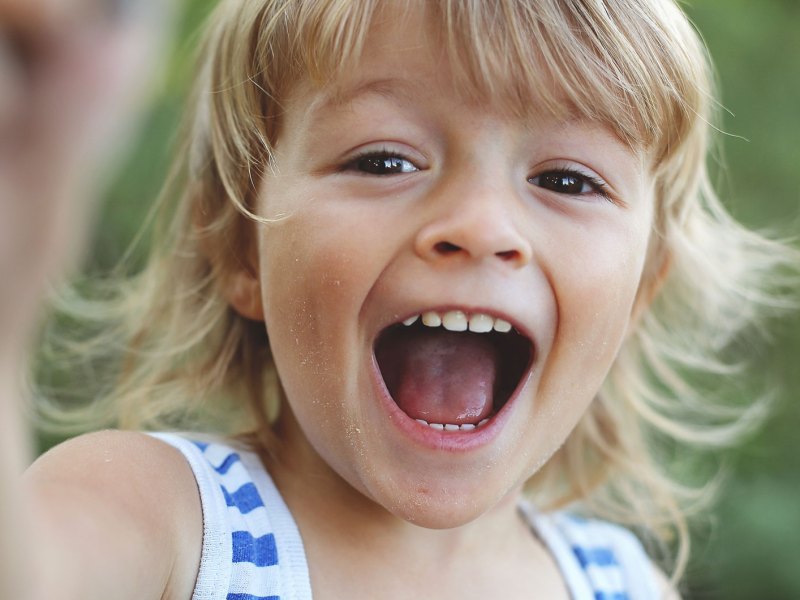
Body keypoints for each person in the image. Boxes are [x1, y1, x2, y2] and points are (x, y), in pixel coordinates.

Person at [2, 1, 797, 598]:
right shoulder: (164, 517)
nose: (482, 227)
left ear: (637, 294)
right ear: (240, 244)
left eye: (566, 180)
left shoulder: (624, 585)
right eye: (384, 160)